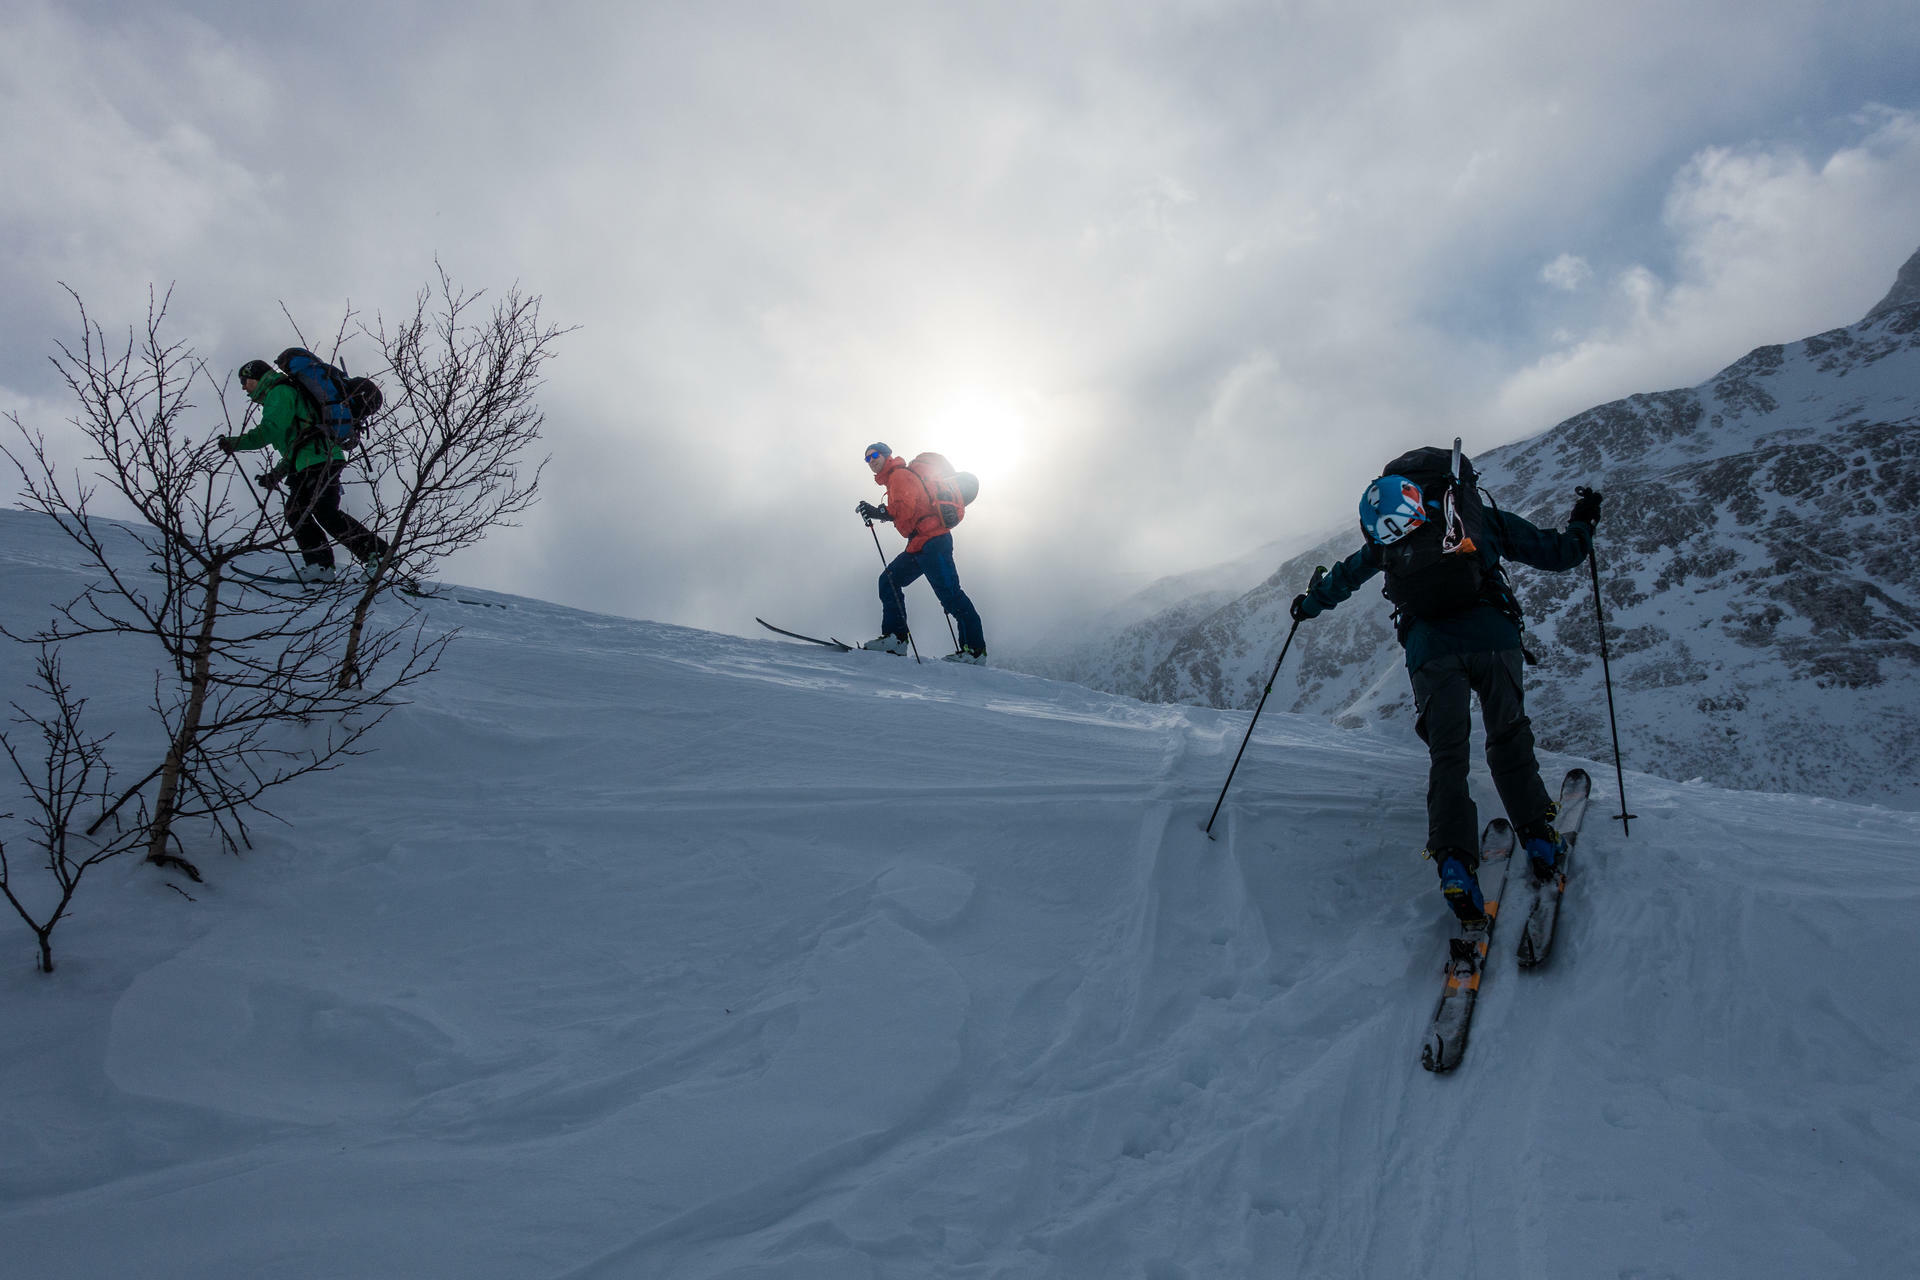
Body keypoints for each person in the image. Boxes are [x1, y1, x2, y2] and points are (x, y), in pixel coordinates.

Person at [1288, 446, 1603, 924]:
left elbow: (1346, 577)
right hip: (1494, 640)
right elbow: (1561, 554)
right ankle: (1539, 836)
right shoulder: (1475, 516)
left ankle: (1455, 863)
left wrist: (1306, 607)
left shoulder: (1393, 527)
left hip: (1430, 652)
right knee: (1508, 735)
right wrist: (1584, 521)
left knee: (1448, 757)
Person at [219, 358, 388, 584]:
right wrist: (277, 473)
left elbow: (268, 432)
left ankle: (368, 554)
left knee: (312, 511)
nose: (243, 387)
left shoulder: (278, 393)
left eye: (244, 380)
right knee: (302, 511)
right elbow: (295, 443)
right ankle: (327, 564)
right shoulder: (284, 392)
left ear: (256, 377)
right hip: (315, 458)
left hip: (317, 459)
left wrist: (235, 442)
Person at [853, 442, 987, 664]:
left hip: (933, 542)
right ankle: (895, 639)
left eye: (874, 455)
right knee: (889, 580)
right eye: (867, 459)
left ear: (887, 456)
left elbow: (906, 508)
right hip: (920, 544)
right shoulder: (894, 478)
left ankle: (974, 650)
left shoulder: (899, 475)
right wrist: (880, 512)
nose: (871, 461)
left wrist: (879, 512)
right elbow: (906, 511)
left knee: (951, 595)